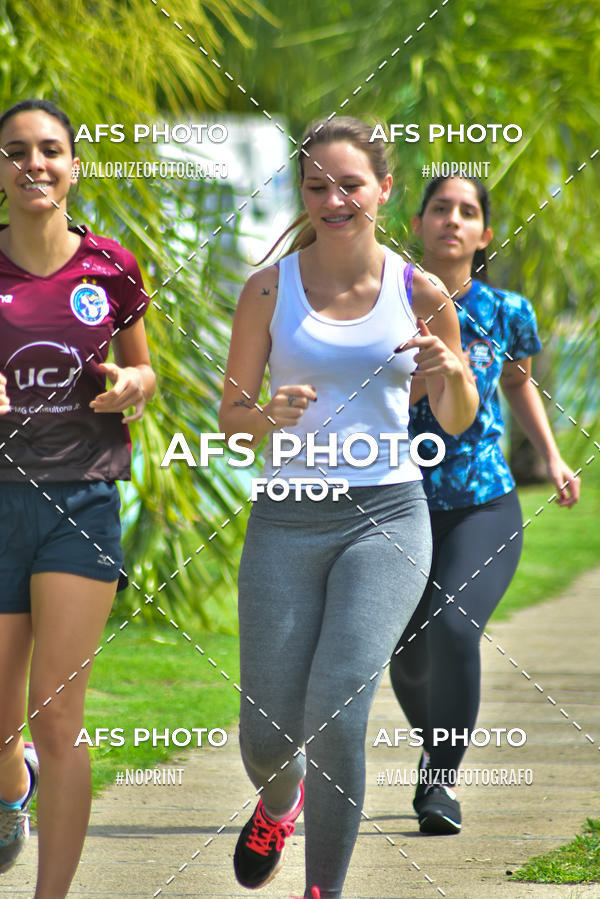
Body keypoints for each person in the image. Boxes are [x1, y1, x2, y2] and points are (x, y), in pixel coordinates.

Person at [219, 118, 479, 899]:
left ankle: (320, 890)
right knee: (268, 734)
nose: (334, 199)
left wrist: (452, 369)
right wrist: (269, 415)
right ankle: (278, 797)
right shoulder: (268, 287)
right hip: (287, 517)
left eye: (350, 184)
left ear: (384, 190)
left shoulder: (421, 290)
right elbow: (232, 413)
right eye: (317, 185)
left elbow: (458, 416)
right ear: (302, 193)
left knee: (335, 707)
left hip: (388, 518)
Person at [389, 175, 580, 836]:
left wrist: (551, 454)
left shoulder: (507, 311)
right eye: (440, 209)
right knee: (406, 655)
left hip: (483, 501)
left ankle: (439, 781)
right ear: (417, 223)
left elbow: (520, 386)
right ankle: (436, 744)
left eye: (467, 212)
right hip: (397, 502)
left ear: (484, 234)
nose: (453, 220)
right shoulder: (385, 299)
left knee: (453, 628)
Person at [0, 99, 155, 896]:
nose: (35, 163)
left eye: (51, 149)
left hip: (79, 505)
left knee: (58, 718)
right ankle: (8, 788)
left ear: (74, 163)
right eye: (18, 150)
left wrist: (133, 382)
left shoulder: (111, 267)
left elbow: (146, 371)